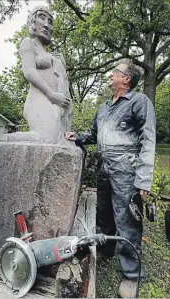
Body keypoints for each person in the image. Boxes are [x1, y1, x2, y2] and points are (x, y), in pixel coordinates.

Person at [65, 60, 156, 298]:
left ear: (126, 79)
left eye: (114, 72)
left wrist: (144, 178)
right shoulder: (104, 107)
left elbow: (148, 138)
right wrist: (79, 137)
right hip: (105, 167)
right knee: (104, 212)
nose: (110, 75)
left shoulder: (139, 102)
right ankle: (107, 247)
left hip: (127, 168)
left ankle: (132, 275)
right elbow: (94, 134)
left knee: (127, 220)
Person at [19, 6, 72, 144]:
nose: (46, 24)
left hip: (54, 103)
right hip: (39, 99)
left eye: (50, 21)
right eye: (42, 18)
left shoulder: (51, 54)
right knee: (46, 139)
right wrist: (51, 94)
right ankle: (2, 141)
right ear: (32, 21)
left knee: (59, 140)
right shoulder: (28, 43)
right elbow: (29, 72)